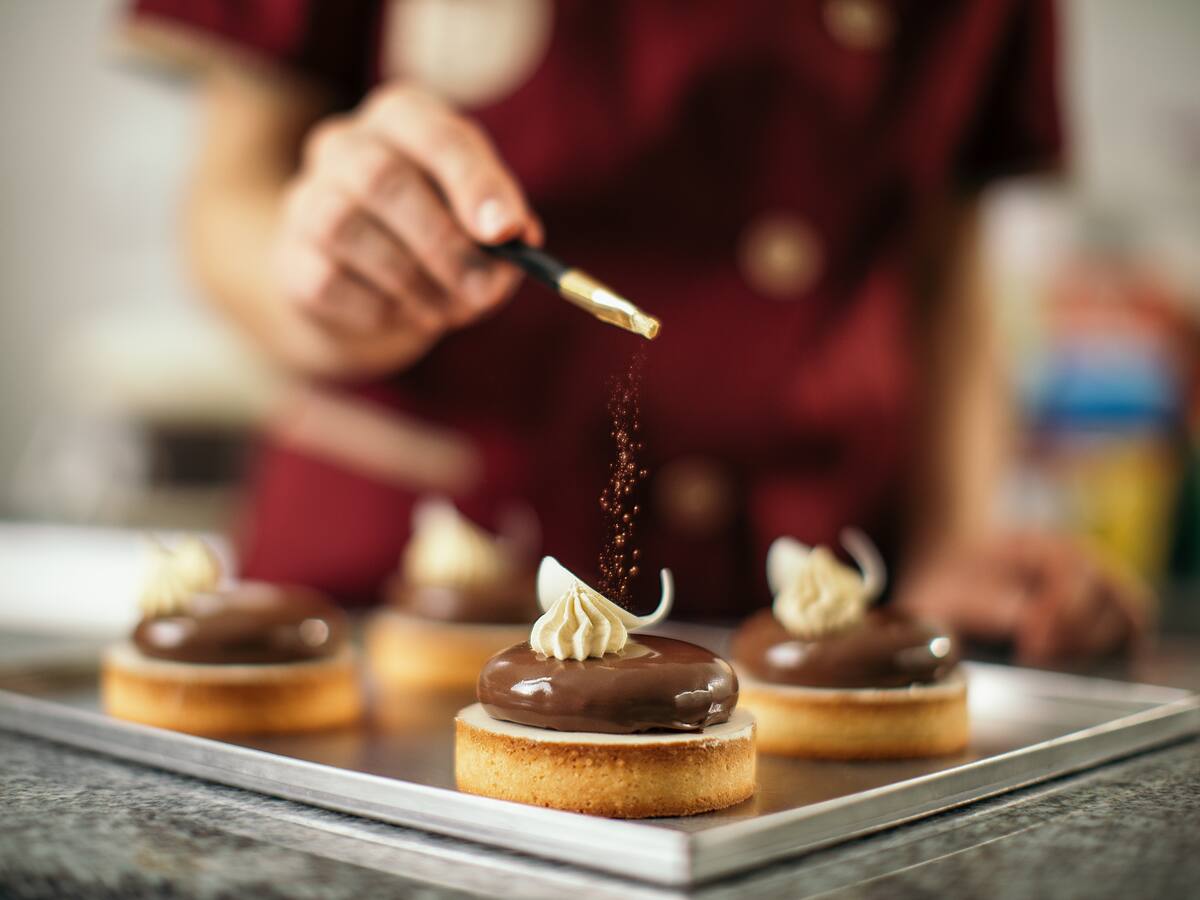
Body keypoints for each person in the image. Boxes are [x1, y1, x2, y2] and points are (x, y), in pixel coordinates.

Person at [123, 0, 1147, 663]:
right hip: (396, 596)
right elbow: (230, 196)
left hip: (814, 597)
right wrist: (318, 273)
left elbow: (944, 266)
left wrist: (951, 545)